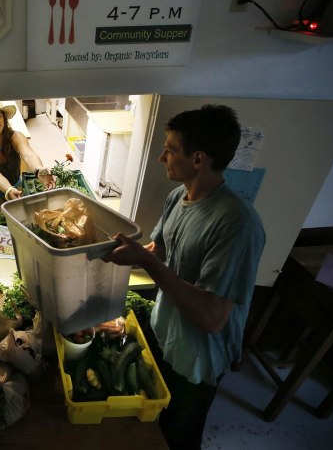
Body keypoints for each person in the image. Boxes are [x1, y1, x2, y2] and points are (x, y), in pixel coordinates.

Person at [104, 104, 265, 450]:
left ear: (198, 159)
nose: (162, 157)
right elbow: (159, 250)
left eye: (170, 149)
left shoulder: (237, 224)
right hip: (167, 334)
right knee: (150, 425)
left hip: (197, 358)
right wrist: (102, 253)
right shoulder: (180, 196)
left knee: (177, 435)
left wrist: (146, 263)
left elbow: (211, 317)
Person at [0, 102, 54, 207]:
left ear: (4, 119)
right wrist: (8, 189)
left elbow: (28, 154)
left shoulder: (15, 137)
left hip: (17, 192)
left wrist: (38, 170)